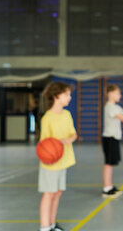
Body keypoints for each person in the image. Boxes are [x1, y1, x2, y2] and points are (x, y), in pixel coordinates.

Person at [38, 82, 77, 231]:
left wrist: (69, 139)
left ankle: (53, 224)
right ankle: (44, 227)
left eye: (70, 94)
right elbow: (43, 145)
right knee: (49, 194)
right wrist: (56, 143)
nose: (70, 97)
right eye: (66, 94)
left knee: (58, 193)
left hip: (64, 160)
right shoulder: (47, 118)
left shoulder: (66, 114)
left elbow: (73, 134)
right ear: (56, 96)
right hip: (51, 163)